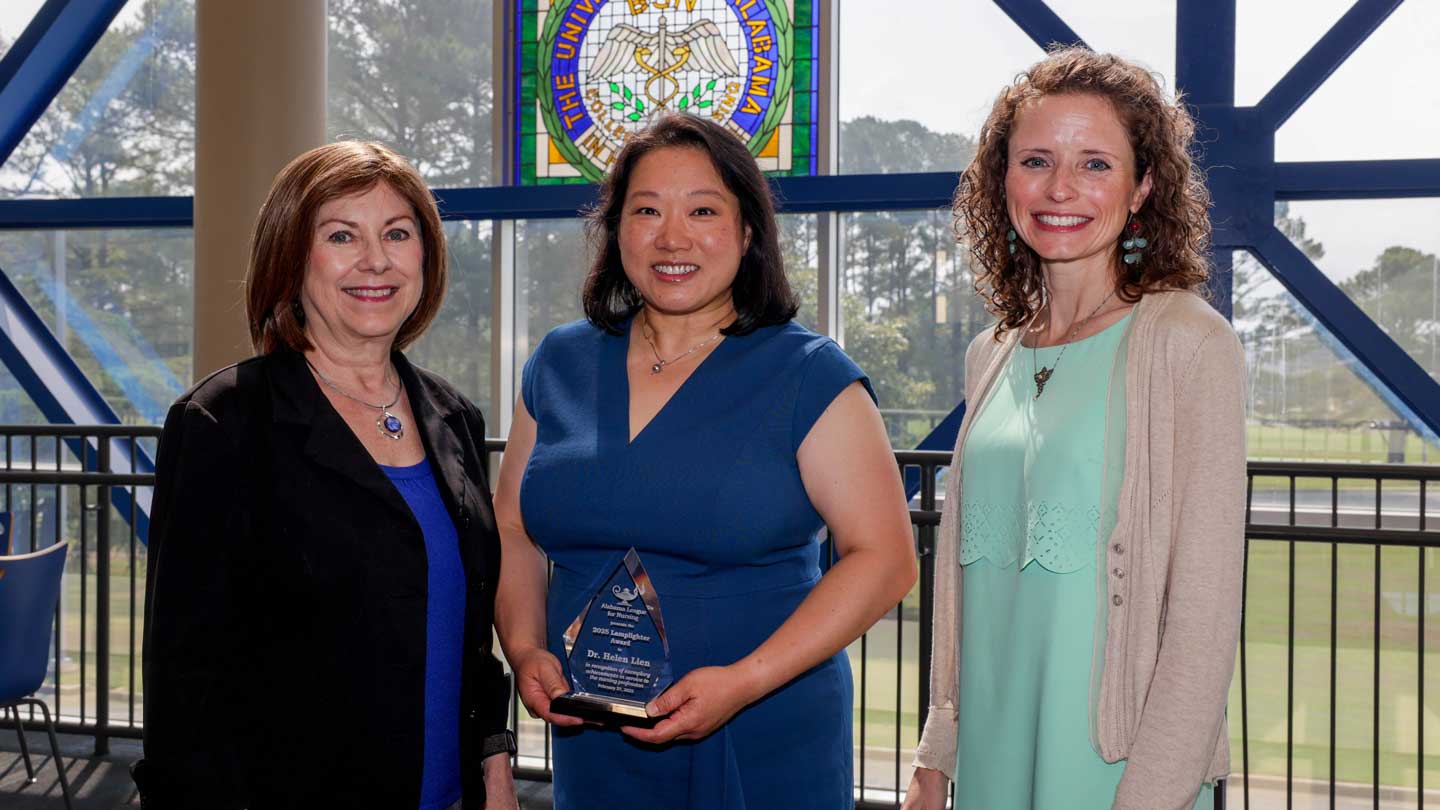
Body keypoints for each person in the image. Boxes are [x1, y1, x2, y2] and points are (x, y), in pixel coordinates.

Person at [491, 112, 917, 809]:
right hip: (596, 740)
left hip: (759, 735)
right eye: (647, 210)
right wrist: (525, 644)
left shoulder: (808, 374)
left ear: (748, 232)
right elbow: (514, 528)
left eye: (703, 210)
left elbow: (885, 559)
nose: (672, 237)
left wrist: (744, 681)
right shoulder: (560, 362)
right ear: (616, 228)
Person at [902, 48, 1245, 810]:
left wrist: (1150, 797)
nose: (1061, 188)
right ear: (1003, 180)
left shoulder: (1188, 342)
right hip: (991, 754)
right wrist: (937, 757)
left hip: (1111, 769)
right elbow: (961, 591)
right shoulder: (989, 353)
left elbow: (1204, 617)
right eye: (1036, 160)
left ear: (1143, 186)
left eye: (1095, 163)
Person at [139, 141, 517, 810]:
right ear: (291, 258)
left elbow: (469, 630)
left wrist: (493, 764)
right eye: (342, 235)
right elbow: (184, 685)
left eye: (397, 234)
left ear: (425, 256)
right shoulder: (226, 423)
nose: (376, 259)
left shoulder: (453, 416)